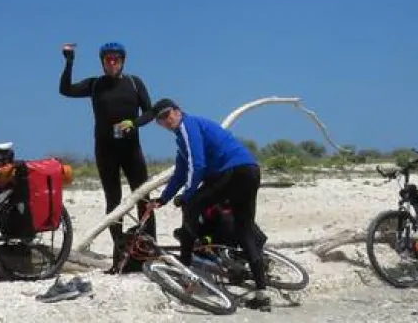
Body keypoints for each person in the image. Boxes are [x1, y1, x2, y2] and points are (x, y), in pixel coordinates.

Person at [146, 98, 269, 299]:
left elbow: (198, 166)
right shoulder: (182, 138)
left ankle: (185, 271)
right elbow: (180, 172)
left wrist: (187, 195)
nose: (166, 120)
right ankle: (262, 293)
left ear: (178, 111)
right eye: (160, 119)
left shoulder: (187, 126)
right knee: (243, 228)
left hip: (233, 171)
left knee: (190, 208)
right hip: (250, 170)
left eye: (168, 115)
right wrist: (164, 198)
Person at [58, 41, 159, 272]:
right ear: (103, 62)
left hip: (132, 150)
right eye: (108, 59)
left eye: (116, 59)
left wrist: (133, 123)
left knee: (143, 198)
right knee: (113, 202)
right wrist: (69, 62)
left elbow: (150, 112)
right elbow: (65, 90)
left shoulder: (134, 83)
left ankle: (149, 251)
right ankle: (120, 256)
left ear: (123, 61)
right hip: (105, 151)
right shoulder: (95, 84)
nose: (112, 62)